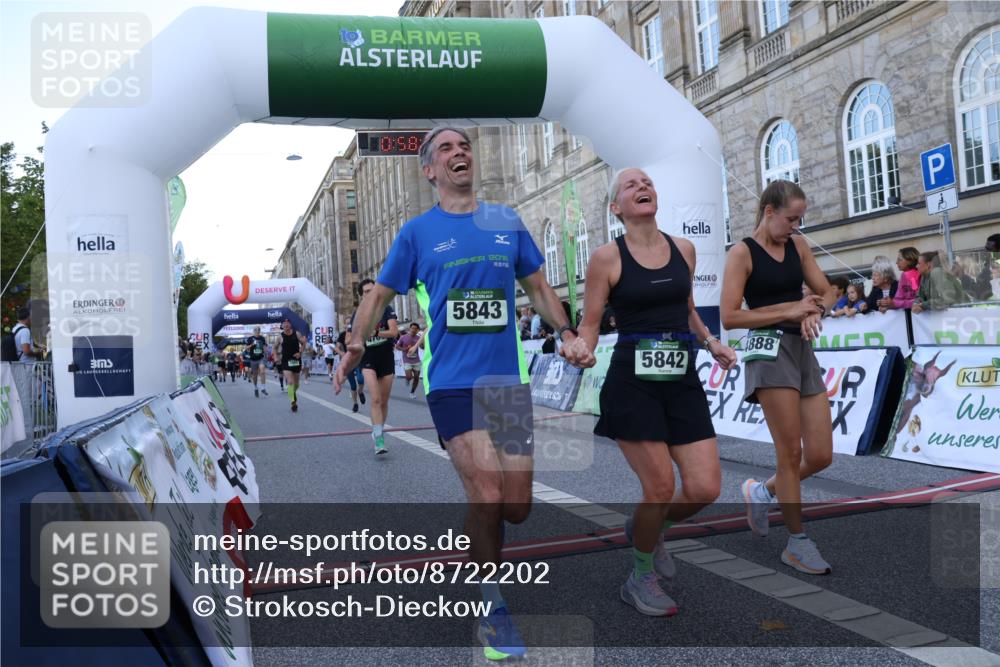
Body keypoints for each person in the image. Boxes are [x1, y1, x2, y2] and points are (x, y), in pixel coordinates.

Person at [335, 126, 592, 660]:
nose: (460, 153)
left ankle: (480, 542)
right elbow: (381, 293)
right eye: (447, 149)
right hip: (451, 382)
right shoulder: (416, 233)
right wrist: (357, 340)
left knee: (516, 507)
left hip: (505, 383)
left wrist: (566, 332)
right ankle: (491, 606)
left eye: (464, 146)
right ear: (430, 170)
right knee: (491, 496)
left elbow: (539, 288)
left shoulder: (504, 221)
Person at [566, 167, 737, 616]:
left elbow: (686, 310)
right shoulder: (606, 257)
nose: (642, 187)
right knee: (659, 485)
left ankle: (646, 527)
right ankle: (640, 574)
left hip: (681, 377)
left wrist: (711, 342)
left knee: (705, 487)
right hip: (632, 382)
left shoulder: (684, 248)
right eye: (630, 185)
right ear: (616, 208)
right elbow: (590, 323)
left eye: (647, 183)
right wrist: (581, 349)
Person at [720, 179, 838, 576]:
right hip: (768, 354)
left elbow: (828, 290)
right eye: (791, 219)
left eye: (800, 220)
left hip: (802, 350)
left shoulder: (798, 247)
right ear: (769, 212)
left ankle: (764, 490)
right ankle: (797, 542)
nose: (796, 227)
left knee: (820, 454)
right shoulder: (742, 253)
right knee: (789, 453)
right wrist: (791, 309)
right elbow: (730, 316)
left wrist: (815, 311)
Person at [347, 279, 399, 456]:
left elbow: (393, 332)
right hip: (368, 358)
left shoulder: (387, 309)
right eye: (366, 292)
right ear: (361, 296)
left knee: (384, 401)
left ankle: (378, 429)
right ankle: (379, 439)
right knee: (375, 399)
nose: (370, 294)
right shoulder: (358, 314)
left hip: (386, 357)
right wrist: (357, 339)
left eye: (372, 290)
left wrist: (376, 332)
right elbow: (349, 339)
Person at [274, 318, 308, 412]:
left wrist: (300, 352)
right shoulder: (280, 337)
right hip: (285, 361)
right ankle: (293, 402)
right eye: (284, 324)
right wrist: (275, 357)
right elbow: (274, 348)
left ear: (290, 325)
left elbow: (303, 344)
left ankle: (292, 393)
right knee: (290, 382)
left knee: (296, 384)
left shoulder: (296, 334)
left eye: (288, 323)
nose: (286, 325)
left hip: (296, 360)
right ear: (282, 326)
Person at [336, 330, 366, 412]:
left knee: (360, 379)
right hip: (348, 362)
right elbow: (337, 347)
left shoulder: (358, 332)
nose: (348, 326)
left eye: (350, 323)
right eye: (346, 324)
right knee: (353, 385)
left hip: (358, 360)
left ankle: (360, 392)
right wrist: (341, 353)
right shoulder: (342, 334)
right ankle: (355, 403)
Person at [395, 322, 423, 398]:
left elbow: (423, 347)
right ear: (410, 329)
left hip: (416, 360)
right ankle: (407, 379)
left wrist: (422, 344)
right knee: (409, 376)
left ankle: (412, 392)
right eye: (412, 328)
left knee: (417, 377)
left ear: (417, 330)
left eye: (415, 329)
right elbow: (397, 347)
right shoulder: (403, 337)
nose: (413, 330)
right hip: (407, 360)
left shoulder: (418, 338)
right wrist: (404, 349)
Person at [246, 326, 269, 398]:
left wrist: (266, 353)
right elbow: (246, 348)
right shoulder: (250, 339)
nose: (257, 331)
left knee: (262, 371)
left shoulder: (262, 338)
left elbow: (265, 347)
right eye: (256, 330)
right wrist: (252, 344)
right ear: (254, 331)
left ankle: (263, 388)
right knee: (255, 375)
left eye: (259, 330)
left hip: (260, 358)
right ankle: (255, 388)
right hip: (253, 359)